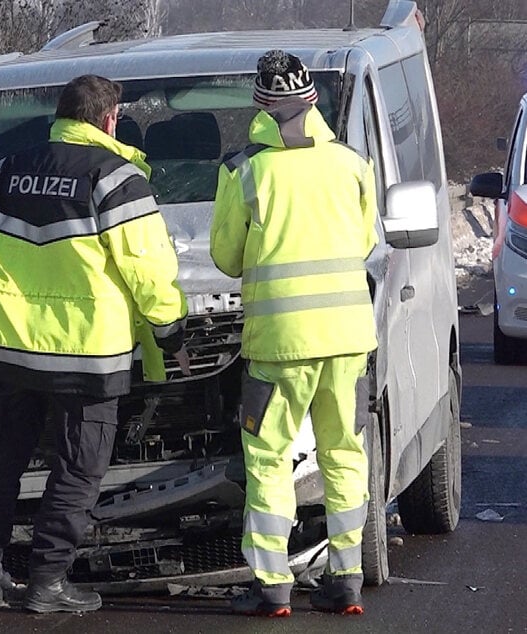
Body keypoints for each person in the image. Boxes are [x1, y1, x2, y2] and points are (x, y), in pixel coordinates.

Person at [0, 74, 190, 613]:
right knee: (77, 469)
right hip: (87, 355)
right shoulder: (116, 178)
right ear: (110, 119)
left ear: (61, 115)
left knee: (0, 464)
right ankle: (45, 583)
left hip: (8, 348)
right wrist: (169, 330)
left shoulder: (2, 171)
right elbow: (147, 271)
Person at [210, 50, 379, 617]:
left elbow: (226, 258)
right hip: (349, 338)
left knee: (269, 459)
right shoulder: (352, 164)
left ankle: (272, 585)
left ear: (259, 107)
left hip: (280, 345)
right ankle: (347, 578)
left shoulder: (245, 170)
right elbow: (364, 243)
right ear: (313, 101)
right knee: (344, 455)